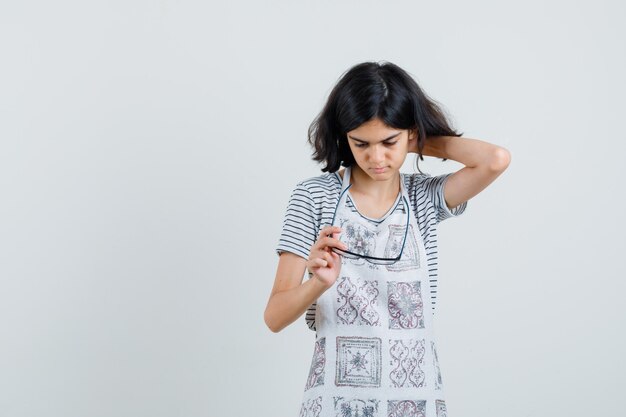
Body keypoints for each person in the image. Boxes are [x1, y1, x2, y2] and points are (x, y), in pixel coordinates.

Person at [264, 61, 510, 417]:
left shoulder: (424, 199)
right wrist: (317, 284)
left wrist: (418, 138)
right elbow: (274, 317)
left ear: (410, 135)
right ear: (343, 137)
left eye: (389, 142)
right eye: (360, 143)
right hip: (335, 401)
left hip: (416, 399)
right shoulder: (313, 197)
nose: (376, 158)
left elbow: (495, 160)